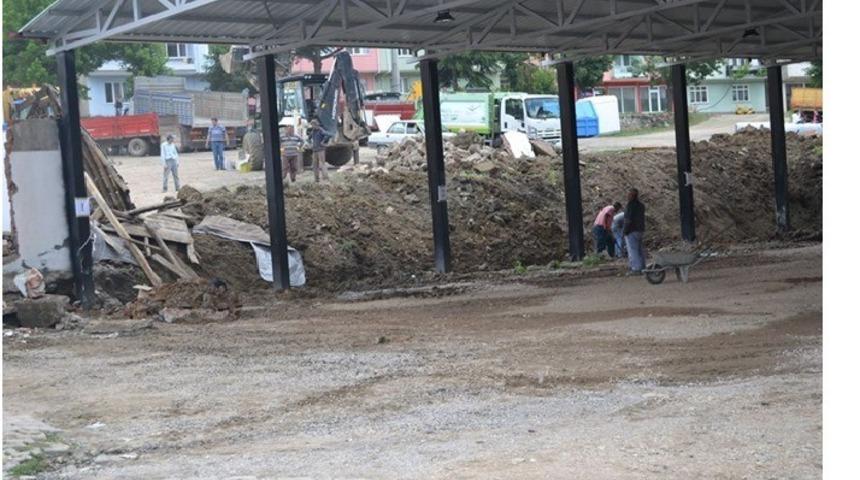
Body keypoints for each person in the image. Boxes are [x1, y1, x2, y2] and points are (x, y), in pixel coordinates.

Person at [623, 188, 647, 274]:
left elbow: (628, 220)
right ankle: (643, 266)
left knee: (633, 250)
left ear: (632, 196)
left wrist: (625, 231)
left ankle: (636, 268)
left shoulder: (630, 205)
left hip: (631, 230)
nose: (628, 196)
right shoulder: (641, 205)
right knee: (640, 249)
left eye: (629, 194)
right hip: (640, 230)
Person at [309, 119, 330, 183]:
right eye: (312, 125)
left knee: (322, 164)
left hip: (320, 149)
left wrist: (323, 141)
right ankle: (316, 179)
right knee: (315, 165)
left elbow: (327, 135)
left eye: (313, 125)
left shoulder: (320, 130)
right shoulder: (313, 131)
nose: (312, 126)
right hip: (314, 150)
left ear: (316, 124)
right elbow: (309, 137)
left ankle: (325, 178)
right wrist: (309, 143)